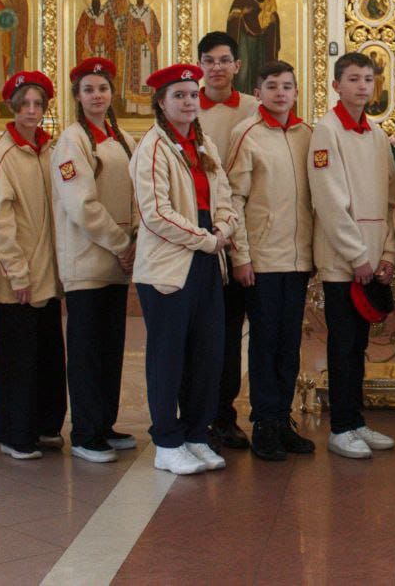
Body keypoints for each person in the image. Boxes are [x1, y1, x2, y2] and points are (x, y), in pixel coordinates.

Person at [131, 64, 237, 475]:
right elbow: (156, 213)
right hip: (169, 265)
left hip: (208, 258)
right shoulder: (152, 147)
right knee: (168, 355)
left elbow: (223, 194)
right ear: (161, 103)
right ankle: (167, 440)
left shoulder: (203, 143)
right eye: (179, 96)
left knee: (206, 353)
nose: (189, 102)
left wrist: (224, 226)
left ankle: (195, 433)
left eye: (193, 95)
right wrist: (207, 238)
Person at [309, 52, 395, 459]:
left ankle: (356, 420)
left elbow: (393, 197)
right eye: (353, 79)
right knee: (343, 344)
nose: (362, 86)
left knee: (360, 343)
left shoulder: (377, 135)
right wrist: (356, 255)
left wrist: (387, 253)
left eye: (368, 79)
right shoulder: (326, 132)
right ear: (336, 86)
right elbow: (329, 200)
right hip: (343, 261)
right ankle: (341, 427)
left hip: (373, 258)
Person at [225, 60, 316, 461]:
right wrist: (241, 256)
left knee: (289, 343)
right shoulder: (246, 134)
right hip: (262, 259)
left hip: (298, 258)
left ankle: (282, 419)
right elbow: (234, 198)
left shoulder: (306, 134)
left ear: (296, 92)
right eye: (272, 86)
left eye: (287, 86)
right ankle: (263, 423)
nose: (281, 93)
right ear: (258, 92)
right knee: (264, 343)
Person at [52, 58, 138, 463]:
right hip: (88, 260)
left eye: (103, 88)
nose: (97, 95)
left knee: (110, 348)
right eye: (88, 89)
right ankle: (85, 432)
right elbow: (81, 205)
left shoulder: (122, 138)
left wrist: (134, 242)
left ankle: (105, 423)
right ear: (78, 96)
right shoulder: (72, 141)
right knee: (86, 352)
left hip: (119, 262)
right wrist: (121, 244)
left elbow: (135, 193)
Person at [0, 71, 66, 461]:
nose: (31, 111)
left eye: (38, 104)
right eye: (25, 105)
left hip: (49, 273)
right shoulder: (4, 154)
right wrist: (16, 273)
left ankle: (47, 425)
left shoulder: (49, 149)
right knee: (20, 358)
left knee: (48, 353)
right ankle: (16, 432)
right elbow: (0, 222)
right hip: (21, 275)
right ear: (13, 107)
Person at [196, 31, 260, 453]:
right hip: (199, 228)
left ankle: (224, 415)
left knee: (232, 329)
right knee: (202, 332)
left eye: (224, 60)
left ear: (237, 65)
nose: (217, 67)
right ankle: (196, 414)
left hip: (243, 229)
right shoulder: (186, 104)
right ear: (200, 65)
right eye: (209, 60)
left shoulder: (254, 108)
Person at [226, 0, 282, 95]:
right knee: (244, 68)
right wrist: (242, 13)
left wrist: (273, 19)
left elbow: (268, 14)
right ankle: (241, 95)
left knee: (259, 66)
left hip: (259, 40)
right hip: (243, 39)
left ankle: (258, 95)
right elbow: (232, 19)